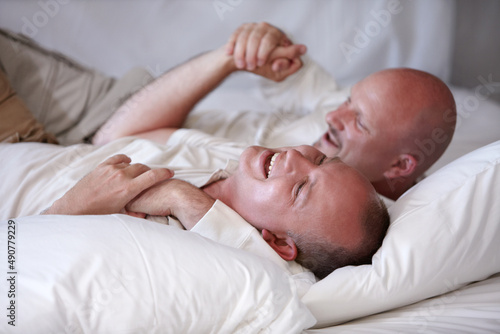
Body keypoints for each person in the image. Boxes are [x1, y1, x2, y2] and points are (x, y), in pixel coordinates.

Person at [90, 22, 457, 201]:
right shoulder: (337, 122)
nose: (334, 116)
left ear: (400, 167)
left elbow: (113, 138)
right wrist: (255, 46)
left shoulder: (306, 199)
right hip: (135, 95)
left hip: (103, 119)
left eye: (358, 121)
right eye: (349, 100)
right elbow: (289, 64)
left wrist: (227, 59)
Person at [0, 129, 389, 280]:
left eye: (301, 188)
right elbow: (114, 132)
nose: (295, 157)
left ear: (278, 243)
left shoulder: (179, 255)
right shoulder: (234, 157)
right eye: (321, 159)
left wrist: (73, 207)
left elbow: (14, 277)